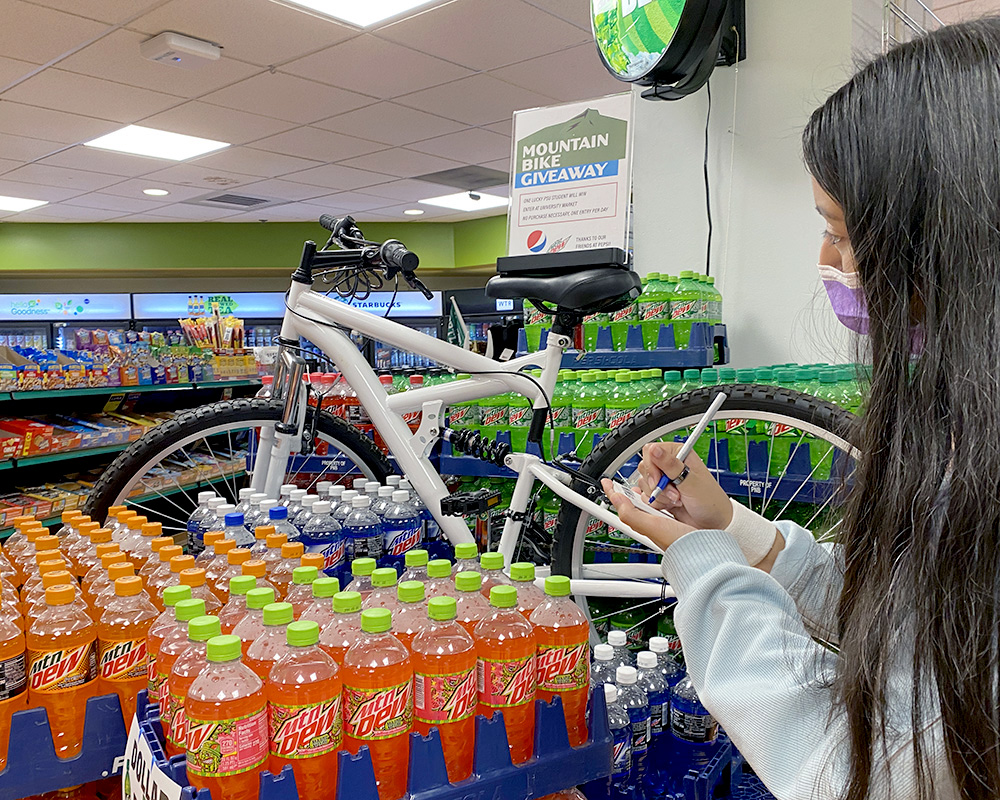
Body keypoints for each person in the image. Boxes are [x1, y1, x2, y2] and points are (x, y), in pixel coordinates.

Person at [603, 19, 1000, 800]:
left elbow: (843, 771)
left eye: (841, 233)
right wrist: (734, 531)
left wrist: (706, 576)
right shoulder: (967, 437)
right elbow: (903, 626)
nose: (825, 261)